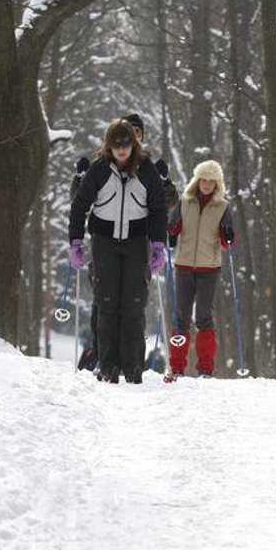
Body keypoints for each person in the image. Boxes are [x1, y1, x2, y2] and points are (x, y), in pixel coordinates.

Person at [71, 114, 178, 372]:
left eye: (127, 143)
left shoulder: (147, 168)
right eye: (116, 144)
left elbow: (159, 207)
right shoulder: (99, 168)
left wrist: (157, 244)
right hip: (104, 241)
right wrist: (75, 241)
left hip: (137, 241)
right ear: (109, 145)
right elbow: (79, 204)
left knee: (133, 306)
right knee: (106, 305)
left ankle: (132, 368)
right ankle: (106, 365)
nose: (121, 149)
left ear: (135, 143)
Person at [166, 160, 235, 379]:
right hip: (183, 265)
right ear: (197, 181)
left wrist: (228, 234)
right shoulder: (184, 202)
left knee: (204, 316)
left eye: (211, 181)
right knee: (181, 318)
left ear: (217, 184)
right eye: (203, 180)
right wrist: (171, 232)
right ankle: (177, 366)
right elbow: (173, 227)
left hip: (209, 268)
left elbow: (227, 243)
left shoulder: (223, 207)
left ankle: (205, 368)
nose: (206, 184)